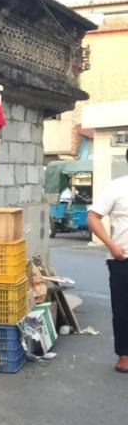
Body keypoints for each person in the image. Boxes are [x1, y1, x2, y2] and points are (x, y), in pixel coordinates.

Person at [87, 152, 128, 373]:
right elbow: (93, 216)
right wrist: (111, 244)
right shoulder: (117, 187)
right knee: (122, 309)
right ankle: (124, 355)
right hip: (122, 259)